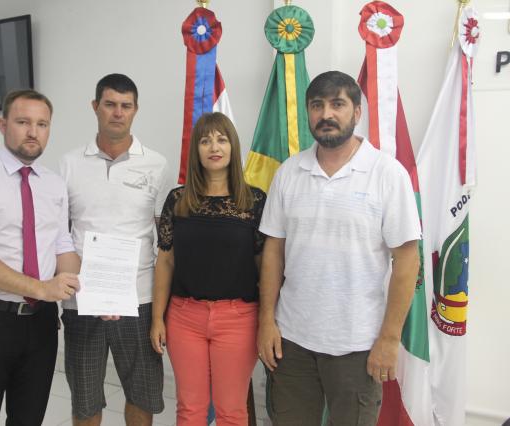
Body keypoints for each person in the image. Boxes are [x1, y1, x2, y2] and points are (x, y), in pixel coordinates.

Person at [257, 71, 421, 425]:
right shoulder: (288, 172)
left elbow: (407, 259)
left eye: (337, 104)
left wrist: (389, 338)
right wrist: (266, 321)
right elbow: (273, 251)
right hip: (292, 341)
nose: (326, 114)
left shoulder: (387, 174)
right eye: (317, 105)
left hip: (358, 345)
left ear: (357, 112)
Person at [0, 89, 81, 425]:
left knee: (29, 418)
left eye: (42, 124)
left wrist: (94, 295)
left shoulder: (54, 184)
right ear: (3, 125)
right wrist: (41, 288)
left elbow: (62, 245)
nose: (33, 132)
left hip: (41, 324)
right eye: (23, 122)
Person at [60, 73, 173, 426]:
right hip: (82, 300)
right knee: (85, 399)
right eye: (110, 104)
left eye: (126, 106)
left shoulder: (156, 164)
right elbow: (59, 235)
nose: (118, 113)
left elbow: (165, 239)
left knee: (141, 395)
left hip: (138, 299)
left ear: (136, 110)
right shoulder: (69, 164)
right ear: (95, 107)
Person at [150, 112, 266, 426]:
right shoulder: (178, 200)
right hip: (184, 317)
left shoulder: (254, 202)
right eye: (205, 141)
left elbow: (265, 267)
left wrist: (269, 319)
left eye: (221, 139)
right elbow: (166, 261)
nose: (214, 147)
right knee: (190, 409)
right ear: (196, 151)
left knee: (231, 410)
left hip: (238, 319)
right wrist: (157, 318)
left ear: (233, 147)